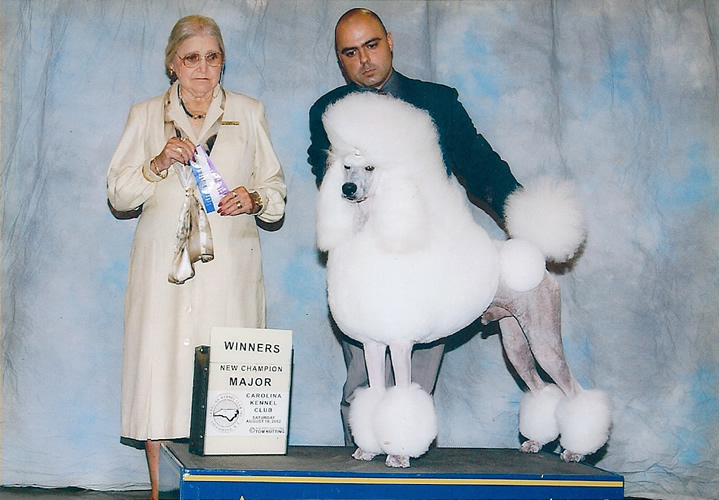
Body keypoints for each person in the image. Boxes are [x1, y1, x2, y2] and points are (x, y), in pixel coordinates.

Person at [307, 8, 520, 447]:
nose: (364, 59)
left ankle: (406, 459)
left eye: (371, 45)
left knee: (414, 385)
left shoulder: (438, 102)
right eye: (350, 52)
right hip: (363, 271)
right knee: (362, 385)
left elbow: (480, 166)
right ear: (339, 59)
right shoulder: (327, 113)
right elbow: (326, 183)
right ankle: (361, 469)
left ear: (390, 41)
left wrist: (524, 219)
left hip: (429, 264)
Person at [107, 15, 286, 500]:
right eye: (191, 58)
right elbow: (119, 195)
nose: (202, 69)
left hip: (229, 267)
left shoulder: (249, 112)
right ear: (172, 65)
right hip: (161, 272)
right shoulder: (145, 115)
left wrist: (255, 198)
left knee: (229, 377)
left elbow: (277, 192)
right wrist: (156, 162)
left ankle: (232, 491)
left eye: (211, 57)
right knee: (158, 373)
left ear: (223, 61)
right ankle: (158, 493)